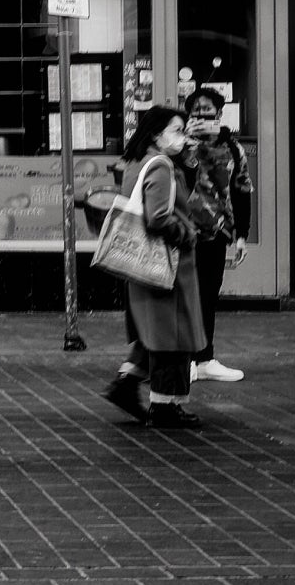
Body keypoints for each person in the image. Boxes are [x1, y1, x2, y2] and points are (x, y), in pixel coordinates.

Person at [103, 105, 208, 430]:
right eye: (177, 131)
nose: (183, 137)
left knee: (156, 334)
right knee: (171, 339)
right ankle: (164, 407)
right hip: (166, 266)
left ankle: (126, 383)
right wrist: (186, 233)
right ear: (156, 134)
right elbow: (158, 216)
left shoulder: (139, 161)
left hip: (143, 264)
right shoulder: (161, 166)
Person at [180, 87, 253, 384]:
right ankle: (183, 360)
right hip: (182, 232)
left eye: (207, 112)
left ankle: (205, 358)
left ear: (220, 115)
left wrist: (241, 235)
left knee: (208, 296)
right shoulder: (180, 146)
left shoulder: (234, 149)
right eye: (195, 112)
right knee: (184, 296)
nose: (201, 117)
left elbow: (242, 190)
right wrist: (187, 145)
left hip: (216, 232)